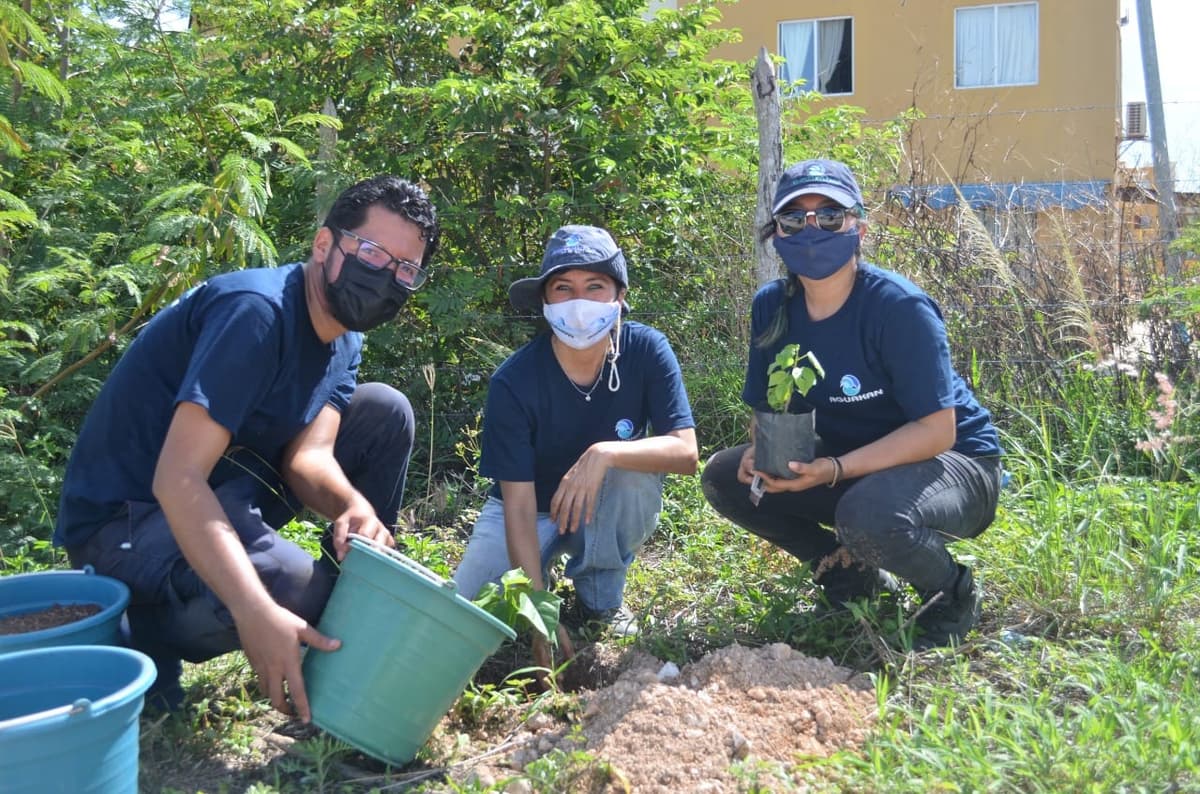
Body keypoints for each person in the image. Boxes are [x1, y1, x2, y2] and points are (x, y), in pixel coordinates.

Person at [53, 175, 439, 717]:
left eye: (405, 269)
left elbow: (309, 458)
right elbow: (176, 478)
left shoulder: (344, 336)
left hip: (222, 493)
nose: (386, 276)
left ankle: (336, 610)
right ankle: (133, 631)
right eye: (372, 252)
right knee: (283, 591)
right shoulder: (256, 313)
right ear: (325, 246)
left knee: (385, 412)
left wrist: (352, 506)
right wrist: (254, 606)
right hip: (127, 519)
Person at [701, 159, 1003, 650]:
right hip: (855, 463)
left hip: (955, 466)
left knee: (865, 514)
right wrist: (765, 449)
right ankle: (846, 572)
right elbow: (765, 405)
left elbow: (937, 430)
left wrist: (835, 469)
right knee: (725, 477)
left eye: (830, 215)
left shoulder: (898, 308)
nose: (812, 228)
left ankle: (951, 593)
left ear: (859, 225)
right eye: (794, 219)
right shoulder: (772, 306)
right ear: (776, 233)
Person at [453, 224, 698, 669]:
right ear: (544, 302)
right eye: (563, 288)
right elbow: (519, 506)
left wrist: (603, 454)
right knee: (468, 613)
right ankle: (540, 579)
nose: (579, 302)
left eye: (595, 287)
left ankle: (598, 599)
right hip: (534, 511)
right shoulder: (514, 380)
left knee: (630, 466)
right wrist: (539, 608)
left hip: (602, 505)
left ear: (620, 296)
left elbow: (685, 452)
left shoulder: (646, 350)